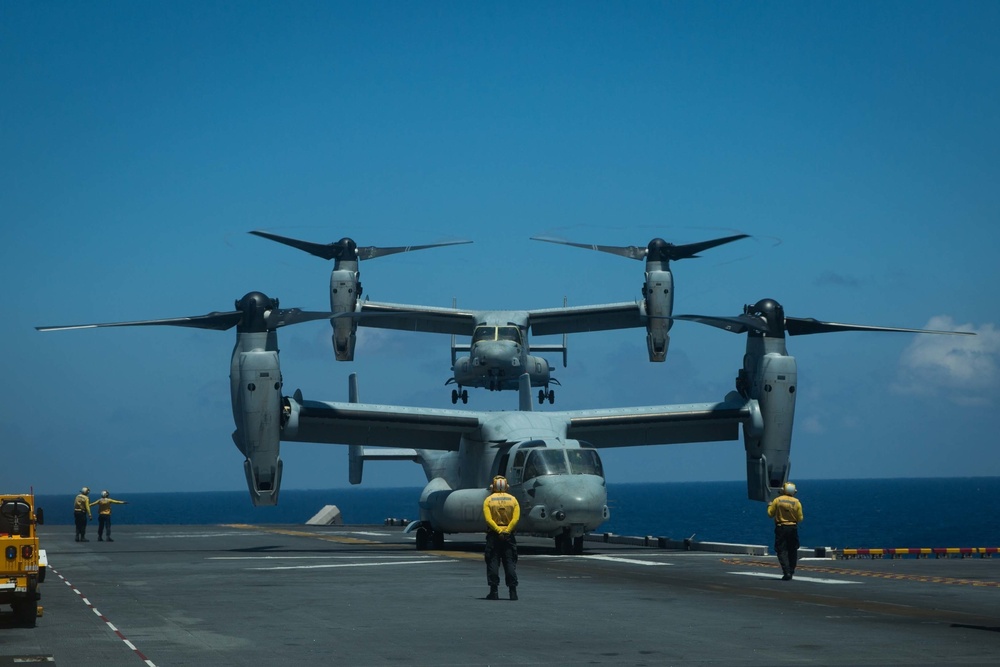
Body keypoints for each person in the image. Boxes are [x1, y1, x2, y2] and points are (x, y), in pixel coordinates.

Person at [482, 475, 520, 600]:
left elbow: (488, 520)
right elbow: (516, 519)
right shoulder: (513, 500)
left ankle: (494, 592)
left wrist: (498, 531)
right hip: (508, 535)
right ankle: (512, 592)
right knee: (509, 562)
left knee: (493, 561)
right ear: (506, 486)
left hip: (494, 535)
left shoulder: (488, 500)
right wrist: (507, 531)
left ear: (493, 486)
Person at [767, 482, 804, 580]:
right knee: (793, 550)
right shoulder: (797, 502)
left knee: (781, 550)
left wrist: (769, 505)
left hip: (781, 528)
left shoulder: (777, 500)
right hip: (793, 528)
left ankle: (786, 571)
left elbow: (770, 514)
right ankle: (791, 571)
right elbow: (800, 518)